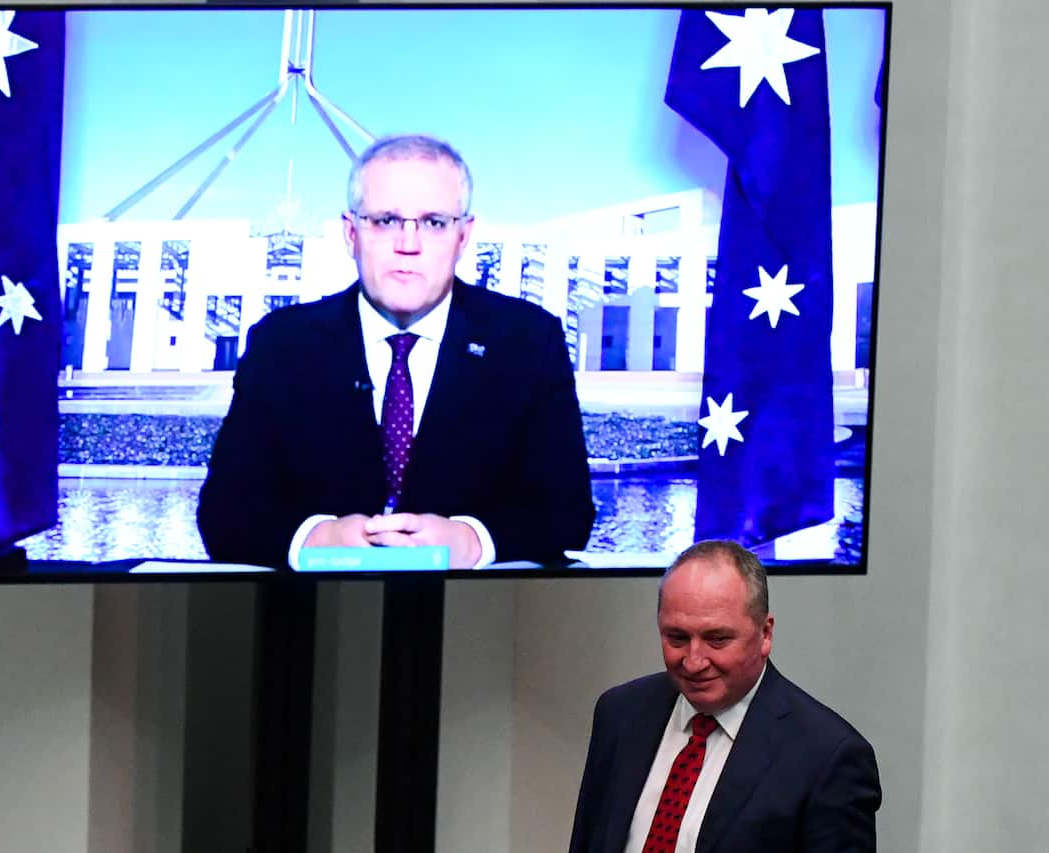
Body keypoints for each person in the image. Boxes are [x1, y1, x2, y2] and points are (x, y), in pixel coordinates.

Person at [198, 134, 594, 569]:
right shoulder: (282, 344)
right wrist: (316, 538)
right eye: (386, 220)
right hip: (315, 622)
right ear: (351, 233)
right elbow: (224, 511)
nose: (408, 243)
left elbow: (568, 512)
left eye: (434, 222)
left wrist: (472, 541)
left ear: (463, 236)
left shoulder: (528, 341)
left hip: (477, 624)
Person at [569, 540, 881, 852]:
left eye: (717, 639)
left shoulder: (828, 757)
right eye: (677, 638)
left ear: (765, 634)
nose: (693, 661)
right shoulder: (621, 713)